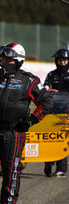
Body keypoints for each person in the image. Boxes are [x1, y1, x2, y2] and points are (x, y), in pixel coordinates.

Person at [0, 43, 52, 204]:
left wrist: (32, 120)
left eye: (8, 58)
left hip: (14, 133)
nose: (3, 60)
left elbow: (46, 101)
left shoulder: (28, 80)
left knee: (11, 171)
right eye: (2, 57)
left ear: (17, 61)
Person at [43, 48, 69, 177]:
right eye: (60, 60)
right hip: (52, 110)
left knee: (62, 137)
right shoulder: (51, 74)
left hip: (66, 111)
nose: (62, 63)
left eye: (64, 60)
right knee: (49, 136)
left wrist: (59, 92)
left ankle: (62, 167)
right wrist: (49, 90)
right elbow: (45, 87)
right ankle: (48, 161)